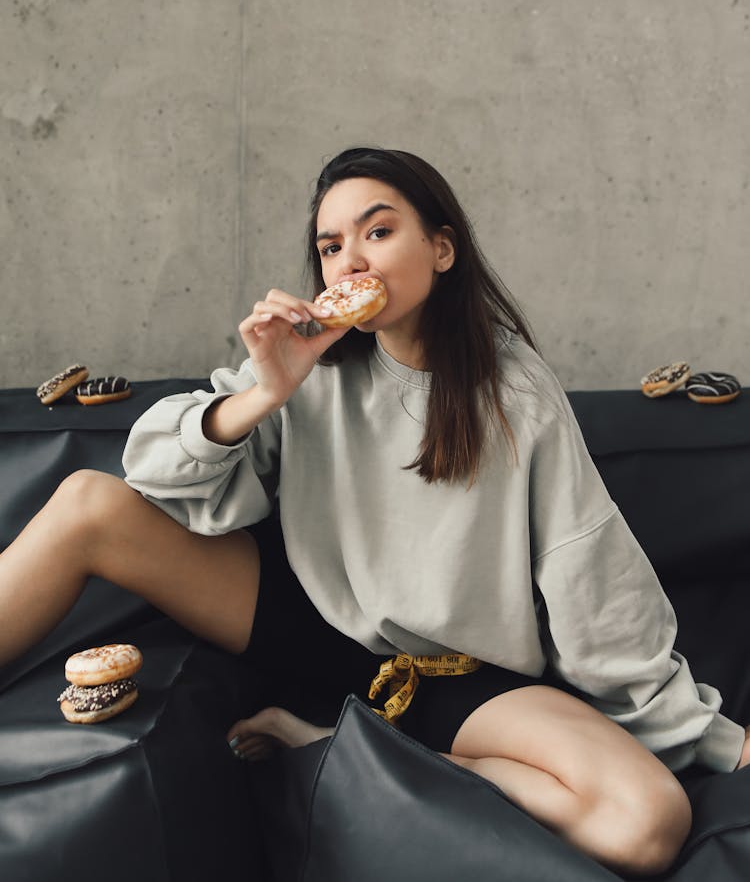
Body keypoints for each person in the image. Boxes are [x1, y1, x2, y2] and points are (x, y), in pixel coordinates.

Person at [0, 147, 747, 875]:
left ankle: (351, 746)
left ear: (442, 248)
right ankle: (358, 736)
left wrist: (709, 738)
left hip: (463, 677)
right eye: (330, 246)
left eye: (377, 231)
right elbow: (151, 469)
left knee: (648, 820)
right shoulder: (309, 363)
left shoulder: (515, 391)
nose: (349, 260)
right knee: (86, 503)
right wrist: (265, 392)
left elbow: (592, 577)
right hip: (311, 628)